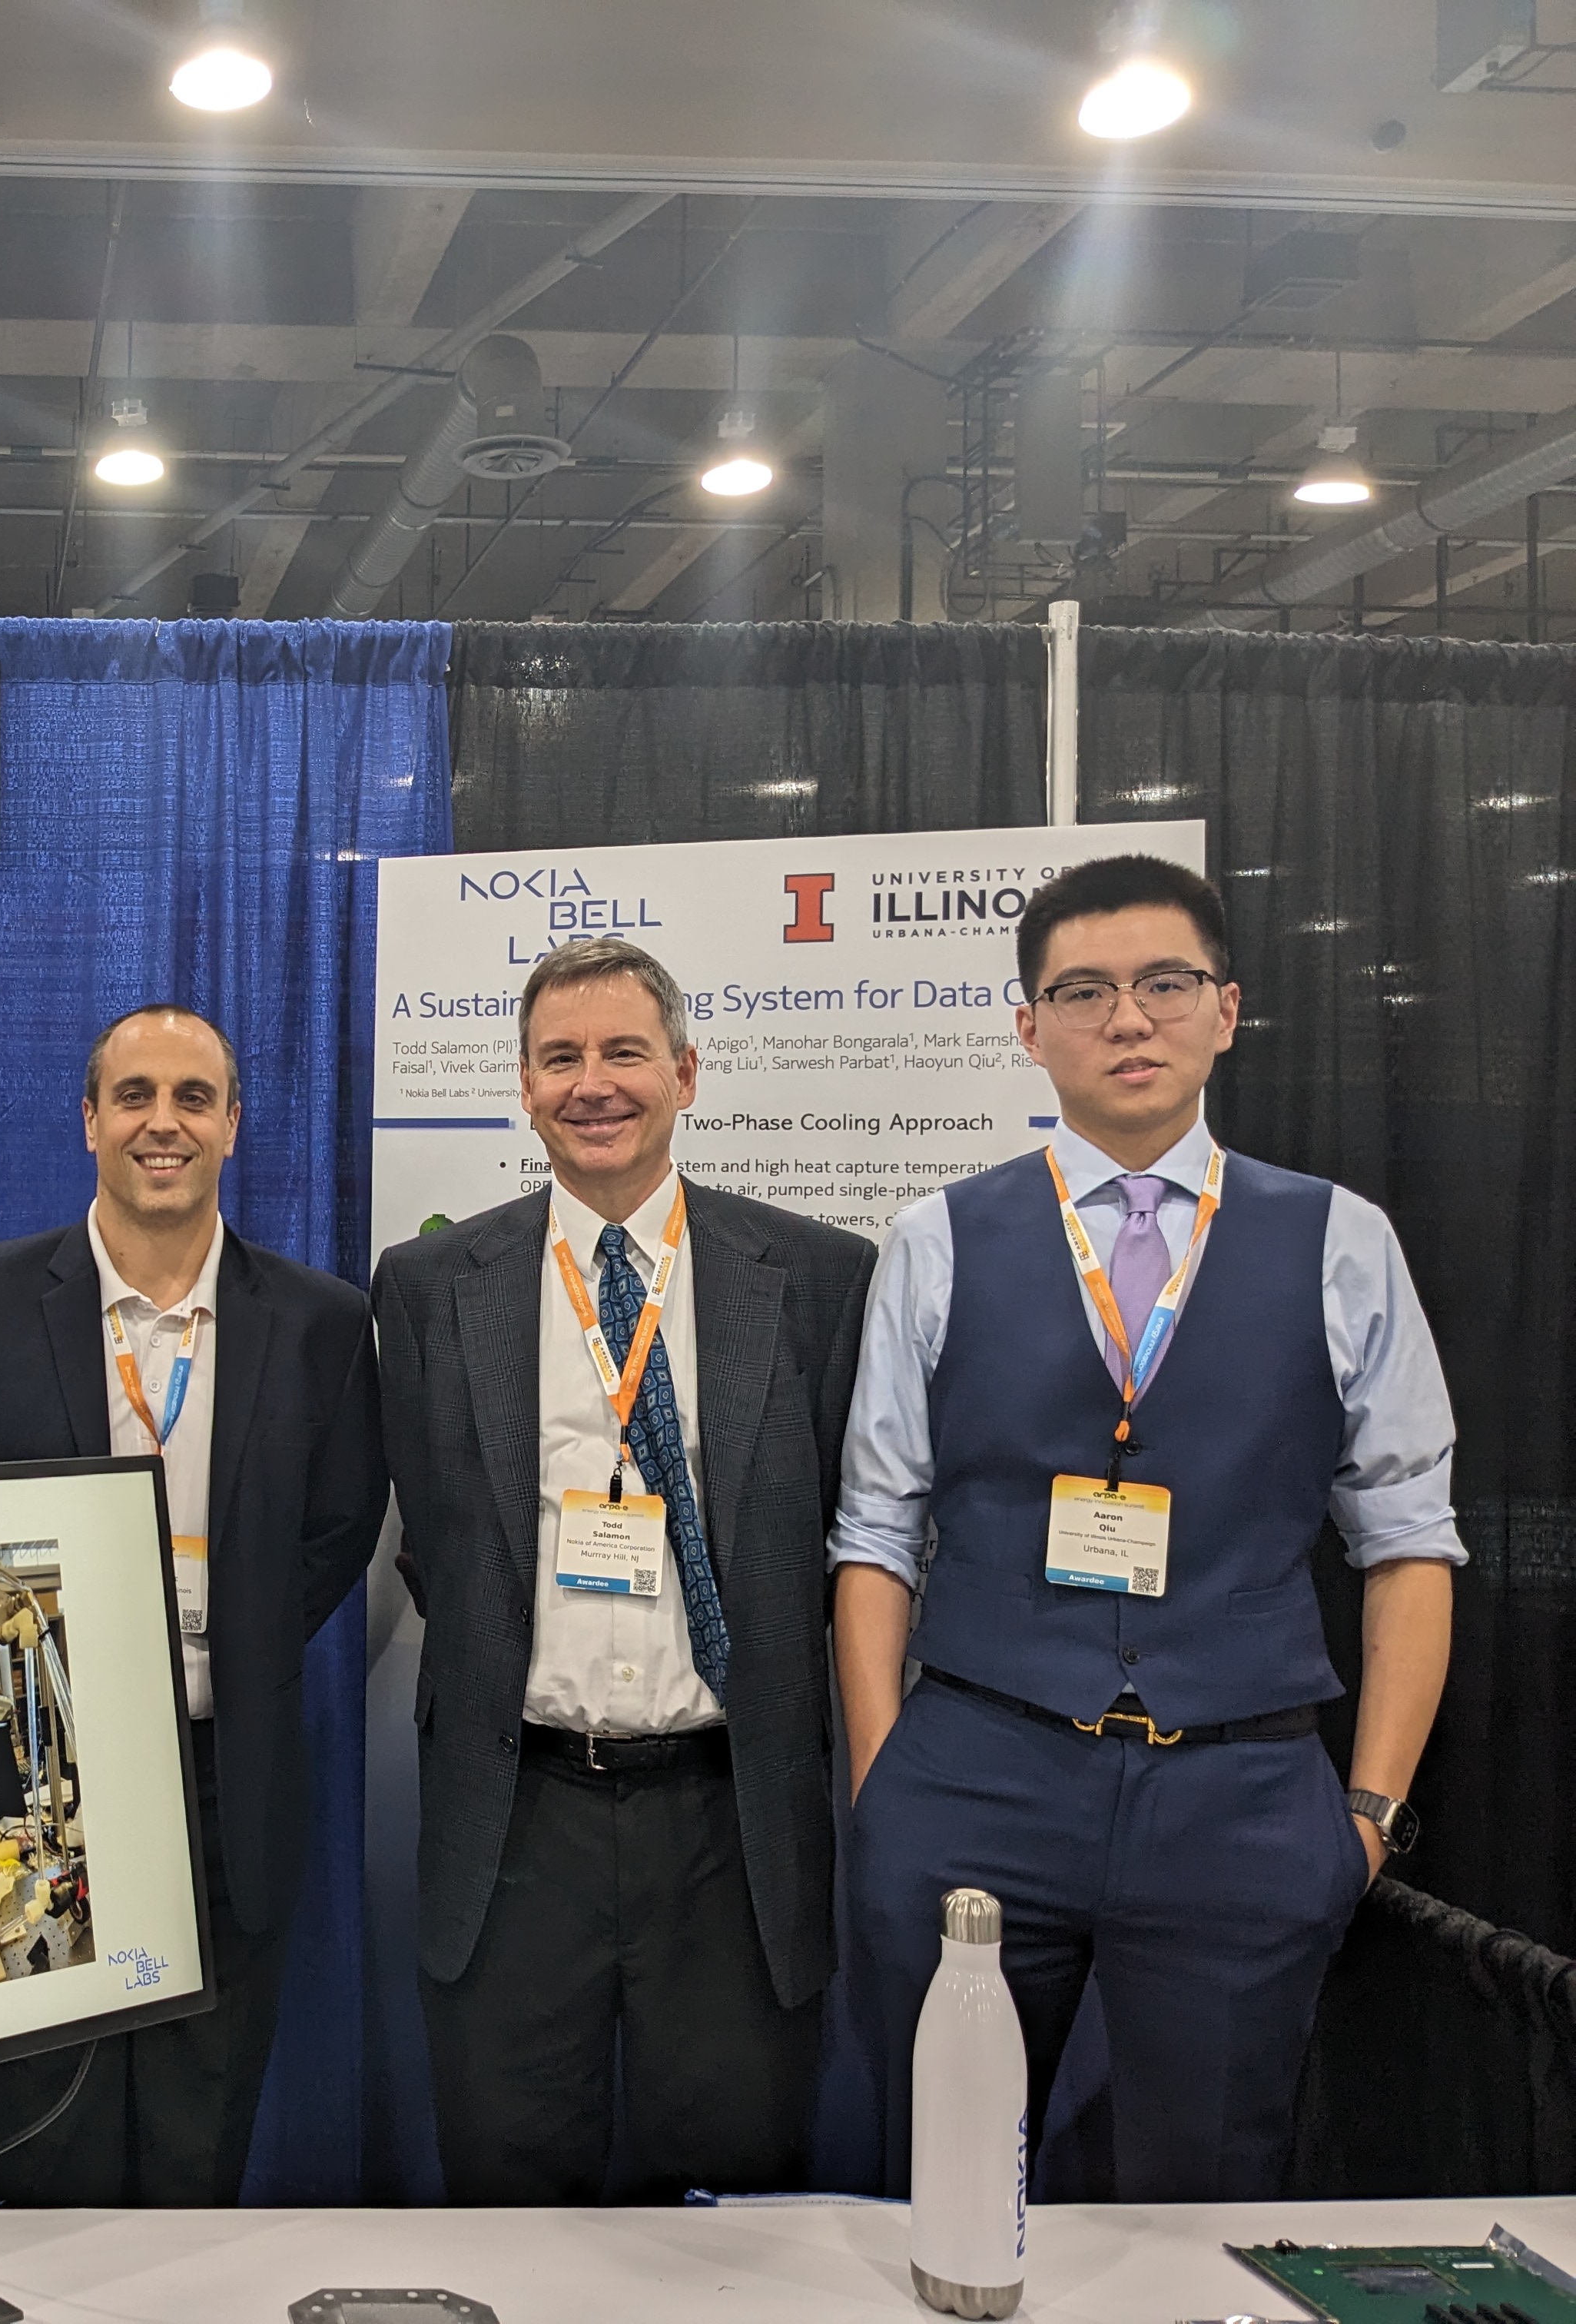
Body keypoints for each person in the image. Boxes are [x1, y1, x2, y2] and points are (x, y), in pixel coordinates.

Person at [830, 854, 1461, 2202]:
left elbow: (1407, 1538)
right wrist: (887, 1784)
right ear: (1027, 1026)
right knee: (943, 2181)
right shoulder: (933, 1240)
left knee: (1203, 2189)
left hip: (1238, 1795)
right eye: (1084, 990)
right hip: (975, 1778)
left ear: (1224, 1010)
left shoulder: (1340, 1241)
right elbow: (876, 1529)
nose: (1127, 1018)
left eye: (1163, 983)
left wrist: (1366, 1811)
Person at [370, 935, 875, 2205]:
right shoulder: (433, 1284)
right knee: (507, 2187)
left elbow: (850, 1529)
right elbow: (429, 1533)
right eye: (559, 1057)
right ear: (524, 1085)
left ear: (686, 1071)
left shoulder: (815, 1278)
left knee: (731, 2211)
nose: (591, 1082)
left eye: (621, 1052)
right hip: (515, 1820)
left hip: (728, 1821)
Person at [0, 1003, 388, 2204]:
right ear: (90, 1119)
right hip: (23, 1796)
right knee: (41, 2142)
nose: (165, 1123)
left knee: (201, 2143)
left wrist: (224, 1647)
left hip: (224, 1777)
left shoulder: (318, 1322)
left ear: (235, 1127)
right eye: (137, 1095)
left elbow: (339, 1528)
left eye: (194, 1099)